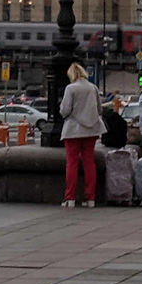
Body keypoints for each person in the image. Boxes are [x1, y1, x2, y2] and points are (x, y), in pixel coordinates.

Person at [59, 63, 103, 208]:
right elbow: (99, 109)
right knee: (89, 162)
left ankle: (70, 198)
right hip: (91, 129)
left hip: (73, 130)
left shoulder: (70, 88)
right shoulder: (93, 88)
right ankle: (90, 198)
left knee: (72, 163)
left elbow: (65, 110)